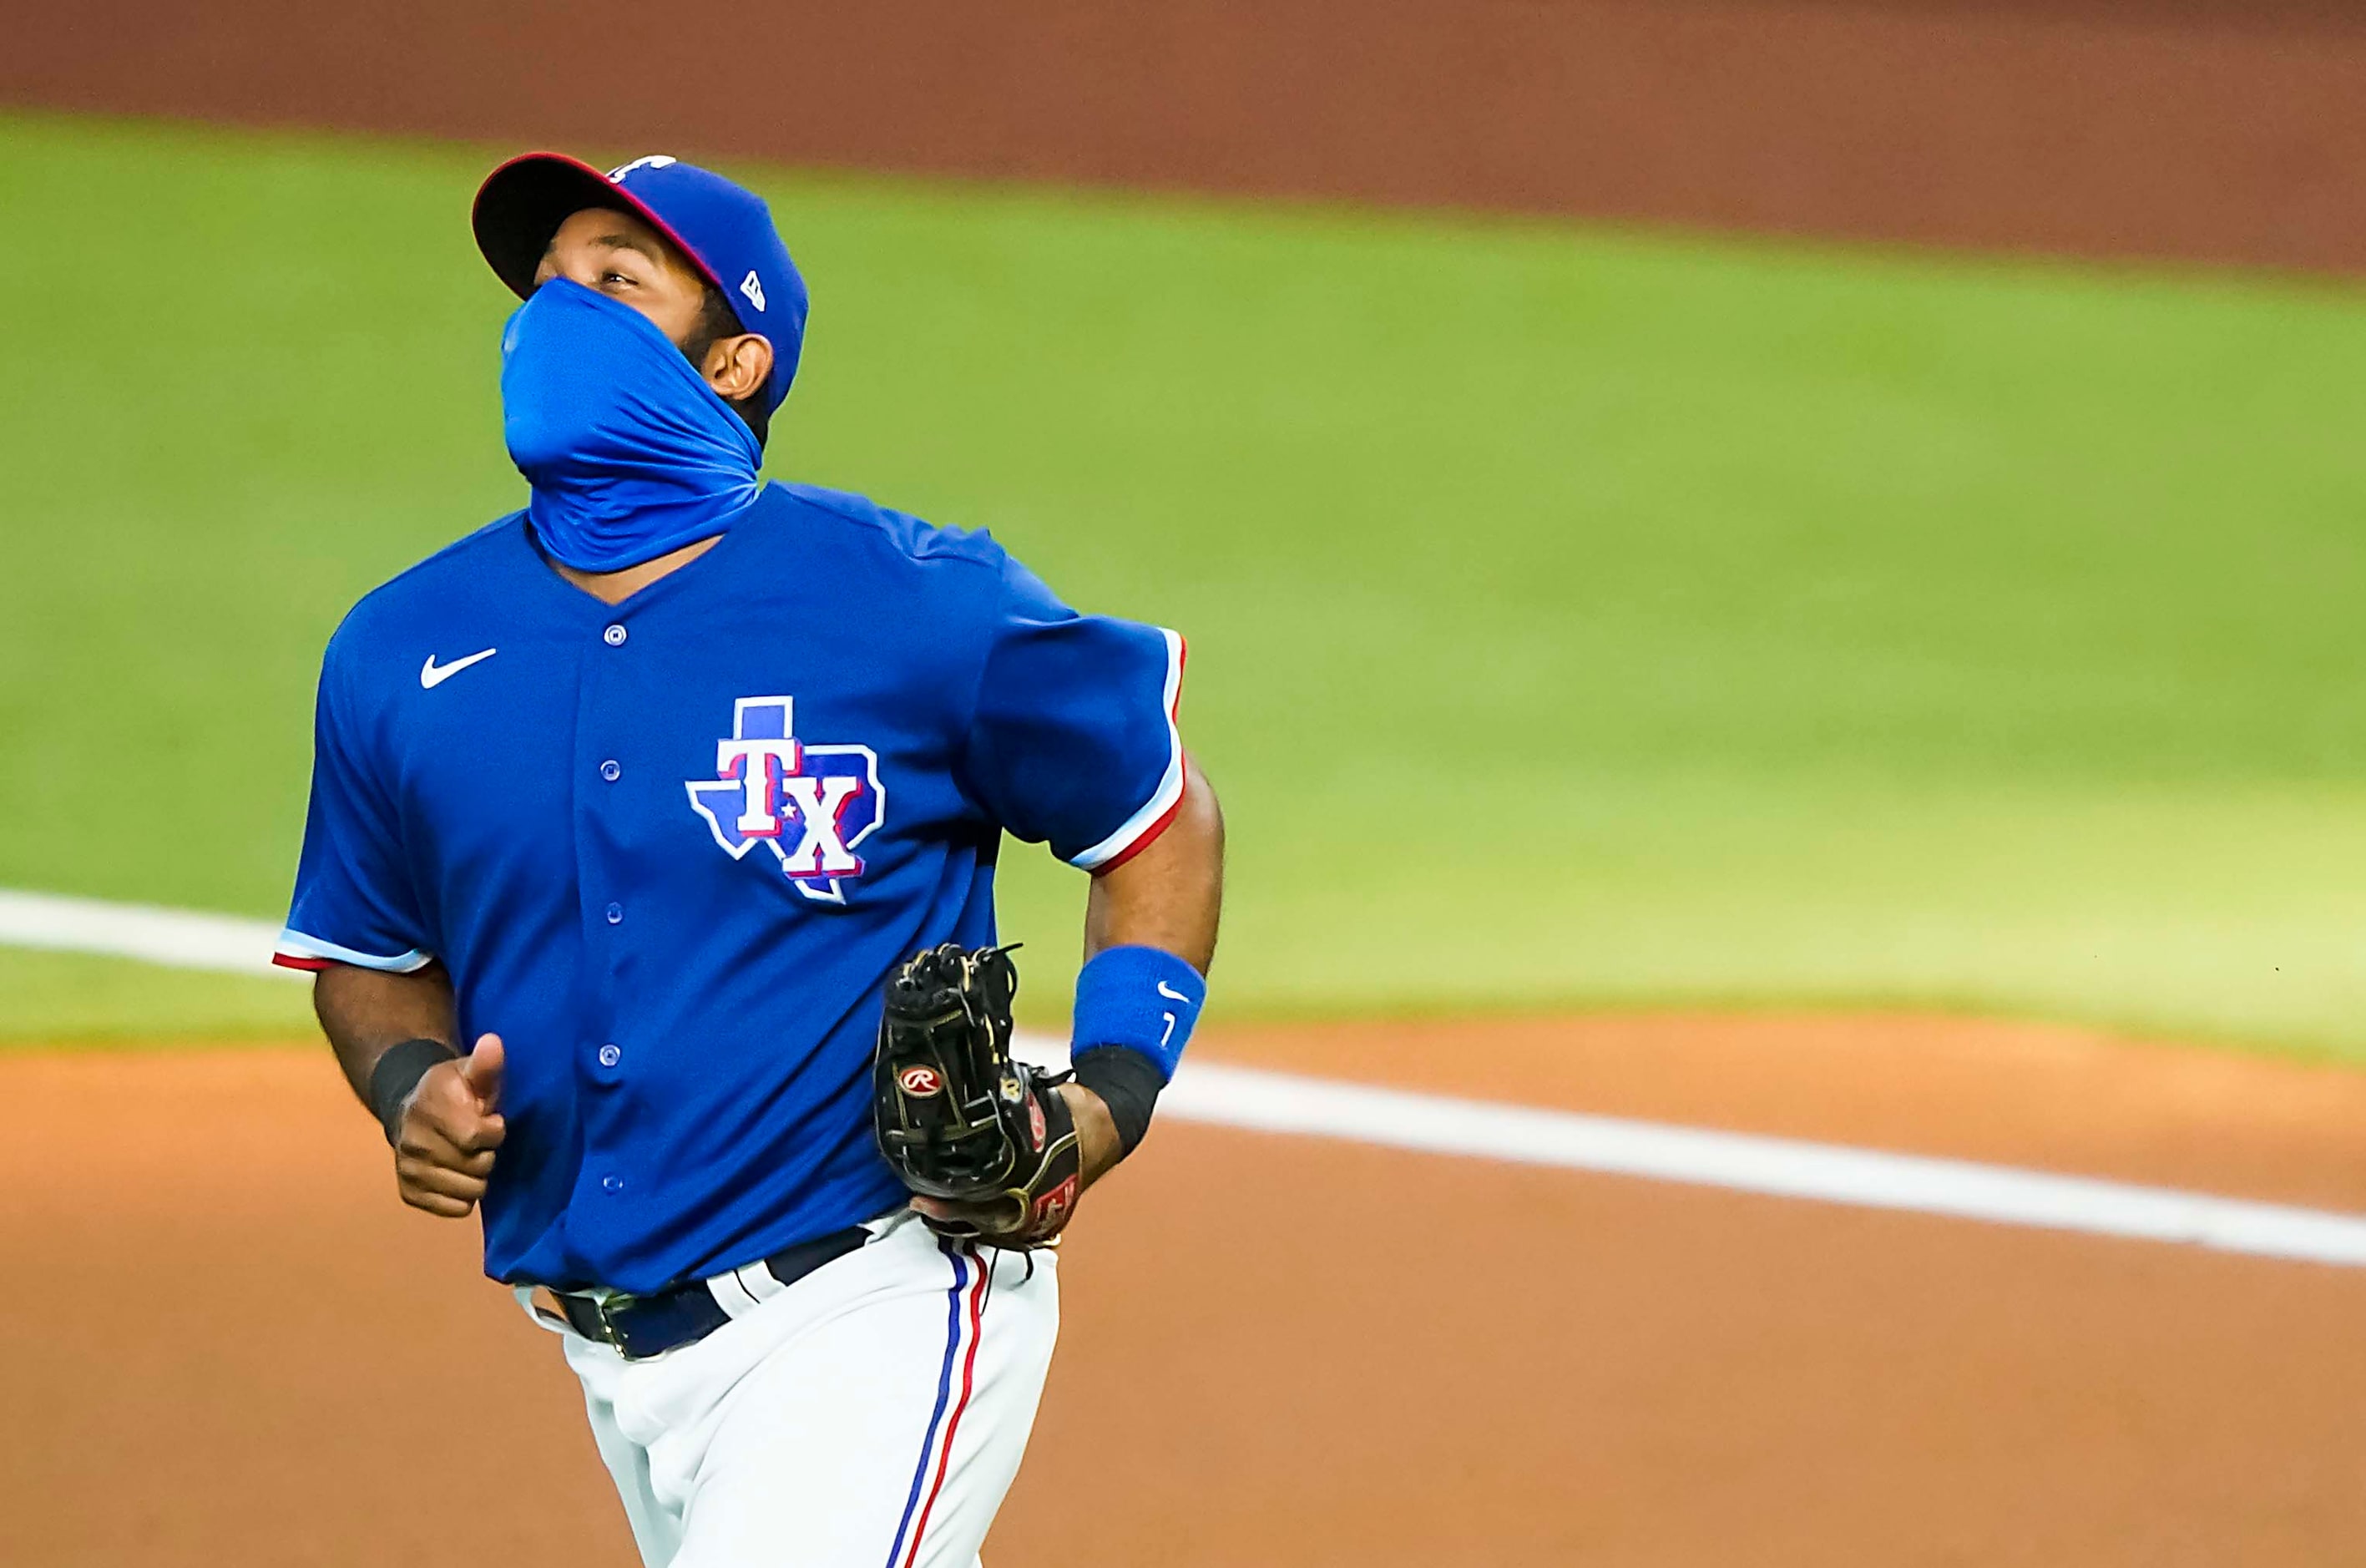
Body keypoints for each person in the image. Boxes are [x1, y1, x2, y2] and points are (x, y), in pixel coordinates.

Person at [273, 150, 1225, 1568]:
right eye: (543, 288)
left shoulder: (909, 600)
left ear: (732, 358)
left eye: (615, 279)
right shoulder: (401, 648)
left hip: (874, 1302)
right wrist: (409, 1083)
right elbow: (370, 956)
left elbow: (1153, 814)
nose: (555, 314)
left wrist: (1109, 1094)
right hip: (609, 1352)